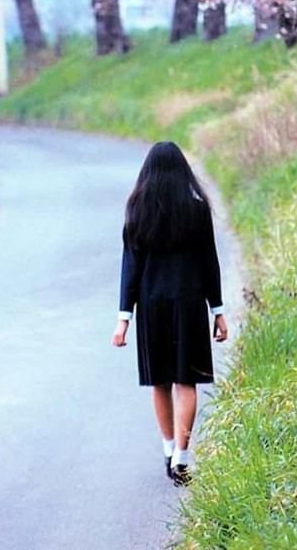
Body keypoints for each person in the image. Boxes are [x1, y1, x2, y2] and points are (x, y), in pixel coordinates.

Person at [111, 141, 228, 487]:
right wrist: (218, 311)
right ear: (182, 170)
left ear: (147, 172)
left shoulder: (138, 209)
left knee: (159, 382)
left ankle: (168, 448)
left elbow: (131, 267)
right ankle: (182, 456)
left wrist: (123, 318)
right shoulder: (197, 209)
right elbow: (209, 263)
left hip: (151, 307)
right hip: (189, 304)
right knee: (185, 381)